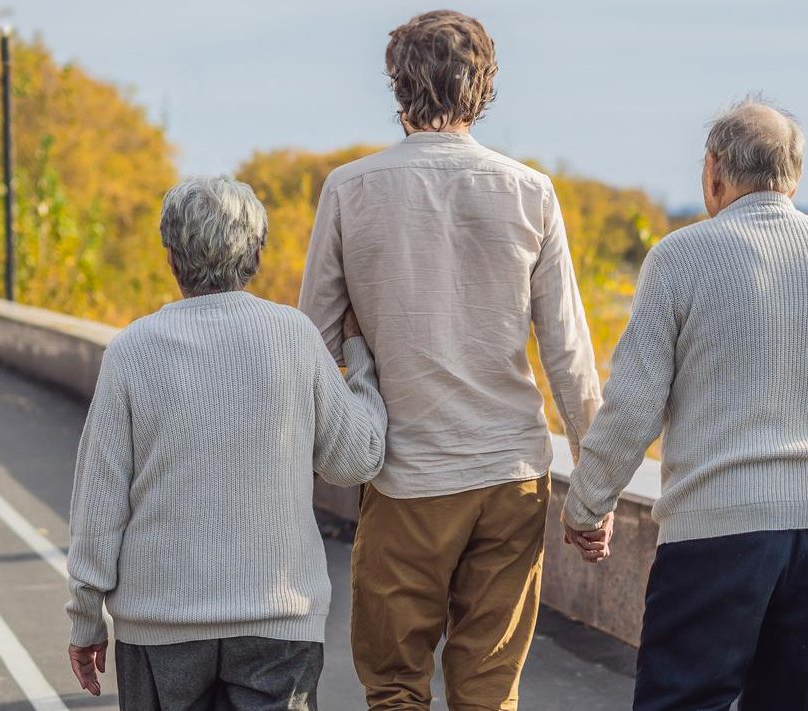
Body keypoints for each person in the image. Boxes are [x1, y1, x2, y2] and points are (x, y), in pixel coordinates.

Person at [558, 98, 808, 711]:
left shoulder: (679, 258)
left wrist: (587, 506)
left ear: (714, 170)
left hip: (714, 531)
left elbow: (632, 407)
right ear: (793, 177)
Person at [297, 10, 603, 710]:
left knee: (397, 683)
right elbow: (568, 353)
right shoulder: (531, 192)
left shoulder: (350, 189)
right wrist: (595, 487)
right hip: (512, 477)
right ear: (483, 88)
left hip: (409, 475)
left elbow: (309, 343)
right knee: (489, 690)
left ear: (398, 88)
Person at [64, 176, 389, 711]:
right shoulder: (294, 337)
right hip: (278, 621)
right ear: (257, 254)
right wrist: (360, 362)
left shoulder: (131, 351)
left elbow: (99, 502)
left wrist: (85, 618)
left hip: (159, 626)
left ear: (171, 257)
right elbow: (355, 459)